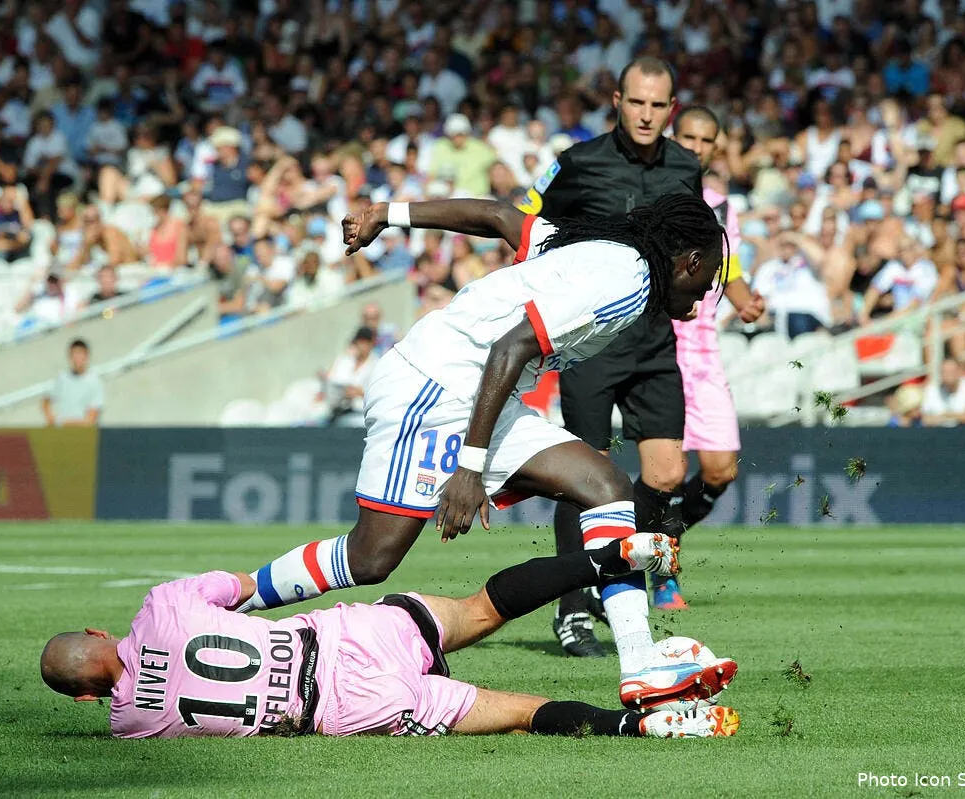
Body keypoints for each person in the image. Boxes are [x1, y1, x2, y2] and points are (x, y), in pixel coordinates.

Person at [238, 191, 731, 710]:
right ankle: (233, 596)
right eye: (708, 278)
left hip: (485, 393)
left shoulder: (593, 251)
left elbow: (496, 216)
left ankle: (640, 666)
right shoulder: (627, 281)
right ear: (690, 262)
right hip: (434, 385)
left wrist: (388, 213)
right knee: (370, 559)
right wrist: (469, 468)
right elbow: (510, 346)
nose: (702, 298)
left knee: (607, 488)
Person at [41, 532, 740, 739]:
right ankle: (610, 557)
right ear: (101, 631)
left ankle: (645, 729)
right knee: (480, 608)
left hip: (342, 709)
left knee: (520, 710)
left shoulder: (131, 722)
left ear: (86, 699)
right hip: (342, 635)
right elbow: (245, 587)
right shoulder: (163, 604)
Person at [516, 56, 703, 658]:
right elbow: (525, 217)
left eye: (659, 105)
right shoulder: (576, 162)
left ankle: (603, 567)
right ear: (617, 101)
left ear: (671, 109)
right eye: (637, 102)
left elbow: (696, 240)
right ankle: (573, 613)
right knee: (584, 479)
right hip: (592, 339)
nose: (647, 115)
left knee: (668, 473)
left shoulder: (686, 164)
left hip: (654, 340)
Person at [660, 106, 767, 610]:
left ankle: (661, 540)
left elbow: (730, 267)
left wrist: (745, 298)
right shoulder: (654, 192)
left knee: (721, 468)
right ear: (672, 137)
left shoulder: (722, 206)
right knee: (667, 470)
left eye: (706, 140)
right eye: (689, 137)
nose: (696, 147)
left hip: (703, 353)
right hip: (659, 344)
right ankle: (660, 574)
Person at [325, 326, 379, 427]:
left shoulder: (377, 364)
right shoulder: (345, 360)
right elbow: (332, 381)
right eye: (360, 342)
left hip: (361, 413)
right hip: (338, 409)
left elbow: (378, 394)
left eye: (366, 342)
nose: (362, 345)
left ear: (372, 343)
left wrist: (360, 393)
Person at [42, 338, 104, 427]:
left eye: (80, 354)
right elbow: (45, 402)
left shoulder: (95, 383)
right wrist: (51, 418)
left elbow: (91, 419)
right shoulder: (63, 379)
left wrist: (61, 422)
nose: (77, 358)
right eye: (74, 354)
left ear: (86, 356)